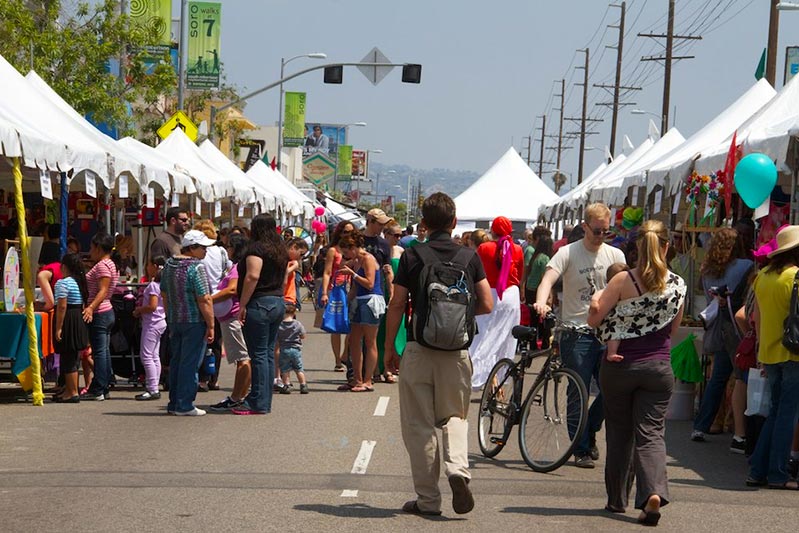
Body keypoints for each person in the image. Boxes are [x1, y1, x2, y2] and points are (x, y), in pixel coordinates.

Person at [384, 192, 493, 516]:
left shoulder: (412, 256)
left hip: (419, 349)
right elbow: (486, 303)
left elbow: (398, 303)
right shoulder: (469, 258)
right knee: (454, 418)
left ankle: (429, 501)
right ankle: (458, 468)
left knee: (419, 426)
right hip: (456, 353)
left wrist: (390, 347)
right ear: (454, 222)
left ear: (424, 224)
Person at [588, 220, 686, 525]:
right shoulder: (678, 285)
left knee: (619, 432)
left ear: (637, 248)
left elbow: (595, 320)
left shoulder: (622, 282)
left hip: (620, 367)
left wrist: (596, 302)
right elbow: (673, 328)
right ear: (667, 246)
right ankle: (653, 493)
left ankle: (617, 499)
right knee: (652, 434)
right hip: (657, 368)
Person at [533, 202, 626, 468]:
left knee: (613, 390)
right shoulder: (568, 253)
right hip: (577, 332)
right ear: (584, 226)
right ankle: (582, 447)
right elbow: (547, 279)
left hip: (608, 332)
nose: (600, 236)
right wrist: (542, 301)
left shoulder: (616, 256)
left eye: (605, 232)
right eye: (596, 230)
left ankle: (590, 428)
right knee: (578, 390)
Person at [747, 225, 799, 489]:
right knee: (786, 414)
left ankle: (758, 469)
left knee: (776, 412)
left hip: (768, 350)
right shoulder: (795, 277)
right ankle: (778, 474)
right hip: (793, 352)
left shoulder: (763, 276)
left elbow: (755, 316)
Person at [691, 228, 753, 443]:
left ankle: (701, 425)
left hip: (715, 326)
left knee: (717, 378)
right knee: (742, 378)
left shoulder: (707, 270)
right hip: (735, 326)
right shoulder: (745, 266)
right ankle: (740, 431)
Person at [232, 214, 288, 415]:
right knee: (268, 353)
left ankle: (257, 401)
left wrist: (242, 304)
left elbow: (252, 275)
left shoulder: (256, 249)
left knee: (259, 355)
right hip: (276, 301)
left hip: (260, 302)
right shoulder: (280, 249)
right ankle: (263, 400)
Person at [160, 230, 216, 416]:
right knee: (190, 363)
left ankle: (174, 402)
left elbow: (165, 294)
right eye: (202, 247)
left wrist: (170, 316)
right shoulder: (196, 267)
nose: (205, 251)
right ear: (191, 248)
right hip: (194, 320)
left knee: (177, 361)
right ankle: (185, 404)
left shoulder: (169, 265)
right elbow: (204, 298)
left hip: (176, 319)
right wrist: (211, 324)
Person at [469, 216, 524, 389]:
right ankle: (499, 378)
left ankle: (477, 373)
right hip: (510, 295)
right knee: (505, 337)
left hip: (489, 292)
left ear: (492, 231)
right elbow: (520, 274)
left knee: (483, 334)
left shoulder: (484, 248)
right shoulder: (517, 249)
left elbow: (475, 271)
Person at [338, 232, 385, 393]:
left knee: (369, 341)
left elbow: (370, 283)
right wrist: (346, 302)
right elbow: (355, 286)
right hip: (359, 300)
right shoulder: (356, 260)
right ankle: (356, 379)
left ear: (353, 247)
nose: (345, 255)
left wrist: (353, 274)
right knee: (354, 340)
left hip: (371, 300)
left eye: (346, 252)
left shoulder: (368, 258)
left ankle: (368, 380)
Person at [209, 234, 252, 412]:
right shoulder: (238, 267)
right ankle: (240, 394)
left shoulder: (236, 268)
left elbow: (232, 289)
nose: (226, 250)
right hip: (229, 316)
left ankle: (236, 396)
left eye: (229, 247)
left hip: (231, 316)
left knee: (242, 358)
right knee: (242, 358)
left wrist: (210, 298)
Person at [79, 233, 120, 401]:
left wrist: (90, 307)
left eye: (92, 247)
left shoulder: (103, 265)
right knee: (103, 350)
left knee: (100, 351)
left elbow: (103, 290)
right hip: (106, 311)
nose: (90, 251)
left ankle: (99, 387)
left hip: (100, 312)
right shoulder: (110, 264)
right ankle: (104, 384)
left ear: (98, 248)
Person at [195, 219, 231, 392]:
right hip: (219, 298)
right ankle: (213, 379)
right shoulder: (222, 252)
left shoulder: (197, 253)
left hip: (201, 299)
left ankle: (201, 378)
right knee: (216, 341)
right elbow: (228, 270)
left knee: (202, 339)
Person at [51, 253, 90, 403]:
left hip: (68, 319)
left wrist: (58, 327)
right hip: (77, 319)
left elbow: (61, 306)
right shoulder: (79, 282)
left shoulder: (62, 283)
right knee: (73, 357)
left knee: (67, 357)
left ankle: (72, 392)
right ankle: (69, 389)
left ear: (64, 267)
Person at [362, 208, 394, 384]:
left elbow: (387, 270)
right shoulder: (359, 240)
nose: (382, 227)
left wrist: (391, 290)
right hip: (359, 291)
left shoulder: (383, 244)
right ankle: (357, 374)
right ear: (370, 221)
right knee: (357, 336)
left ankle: (373, 371)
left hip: (377, 292)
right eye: (380, 223)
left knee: (373, 336)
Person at [320, 221, 355, 371]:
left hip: (352, 287)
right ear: (340, 233)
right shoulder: (333, 251)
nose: (348, 235)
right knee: (336, 326)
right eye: (346, 232)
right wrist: (324, 292)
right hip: (337, 289)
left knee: (352, 325)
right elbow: (327, 272)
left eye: (351, 232)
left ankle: (345, 353)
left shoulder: (356, 249)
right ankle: (337, 360)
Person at [133, 256, 166, 401]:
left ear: (154, 266)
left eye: (148, 265)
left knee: (146, 356)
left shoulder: (153, 285)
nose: (147, 268)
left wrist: (139, 310)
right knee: (154, 356)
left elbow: (152, 306)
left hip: (152, 323)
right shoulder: (163, 285)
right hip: (160, 321)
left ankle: (152, 388)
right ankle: (154, 385)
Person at [591, 262, 631, 362]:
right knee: (614, 334)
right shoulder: (607, 290)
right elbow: (597, 294)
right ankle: (611, 353)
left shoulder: (628, 291)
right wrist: (594, 302)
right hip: (612, 321)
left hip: (624, 320)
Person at [381, 223, 407, 375]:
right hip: (382, 290)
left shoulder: (401, 251)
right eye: (395, 235)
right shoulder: (382, 249)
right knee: (383, 330)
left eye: (400, 235)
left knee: (398, 328)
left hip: (398, 293)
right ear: (387, 234)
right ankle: (382, 365)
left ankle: (396, 360)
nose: (398, 238)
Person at [276, 302, 308, 394]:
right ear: (294, 313)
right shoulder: (297, 324)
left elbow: (277, 339)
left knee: (285, 369)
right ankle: (303, 385)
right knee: (299, 368)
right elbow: (303, 335)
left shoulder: (280, 325)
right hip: (296, 349)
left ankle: (286, 385)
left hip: (284, 350)